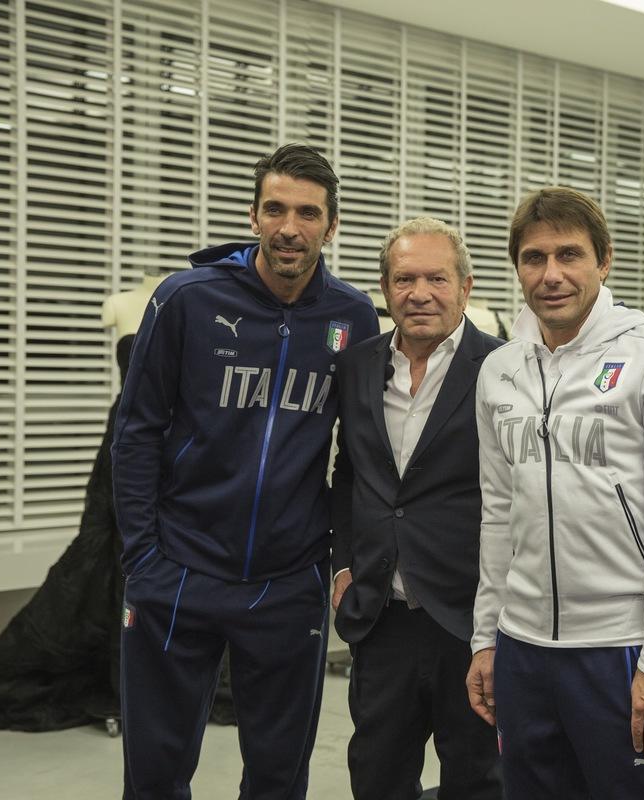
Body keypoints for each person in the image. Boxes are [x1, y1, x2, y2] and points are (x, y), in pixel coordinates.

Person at [112, 142, 377, 799]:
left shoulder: (351, 316)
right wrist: (143, 557)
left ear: (331, 226)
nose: (290, 227)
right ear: (254, 216)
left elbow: (359, 451)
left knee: (278, 777)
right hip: (180, 568)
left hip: (288, 580)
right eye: (276, 209)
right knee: (154, 775)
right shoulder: (185, 299)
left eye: (308, 213)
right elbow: (136, 432)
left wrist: (335, 560)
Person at [466, 187, 644, 799]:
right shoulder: (499, 371)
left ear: (604, 260)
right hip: (522, 647)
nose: (551, 274)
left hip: (620, 649)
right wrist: (486, 638)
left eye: (569, 255)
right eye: (534, 258)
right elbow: (497, 514)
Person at [329, 217, 504, 800]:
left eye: (437, 278)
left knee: (478, 780)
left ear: (465, 287)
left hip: (470, 620)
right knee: (376, 776)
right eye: (404, 279)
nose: (419, 293)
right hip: (383, 618)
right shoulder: (357, 367)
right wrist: (343, 563)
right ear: (385, 287)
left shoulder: (504, 369)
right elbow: (348, 473)